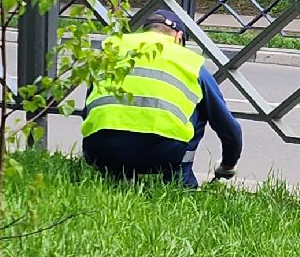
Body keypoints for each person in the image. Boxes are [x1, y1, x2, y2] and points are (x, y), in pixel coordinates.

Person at [81, 10, 243, 187]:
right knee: (198, 107)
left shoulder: (112, 48)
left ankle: (117, 175)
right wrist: (227, 165)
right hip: (162, 155)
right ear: (179, 37)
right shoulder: (190, 61)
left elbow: (89, 106)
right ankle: (181, 182)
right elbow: (228, 127)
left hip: (99, 151)